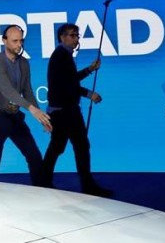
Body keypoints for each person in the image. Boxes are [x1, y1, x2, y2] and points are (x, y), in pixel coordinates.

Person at [39, 23, 113, 197]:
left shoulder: (64, 55)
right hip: (65, 112)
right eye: (72, 35)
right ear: (62, 37)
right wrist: (89, 94)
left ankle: (42, 181)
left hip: (64, 111)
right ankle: (86, 186)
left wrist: (89, 70)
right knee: (78, 146)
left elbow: (70, 79)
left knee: (59, 147)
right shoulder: (61, 56)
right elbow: (68, 85)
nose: (76, 39)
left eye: (77, 35)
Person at [0, 25, 52, 185]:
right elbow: (7, 90)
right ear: (4, 41)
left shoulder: (24, 63)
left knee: (34, 155)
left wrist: (41, 117)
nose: (19, 45)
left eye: (21, 41)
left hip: (14, 116)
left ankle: (44, 191)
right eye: (15, 41)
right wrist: (31, 109)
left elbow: (27, 90)